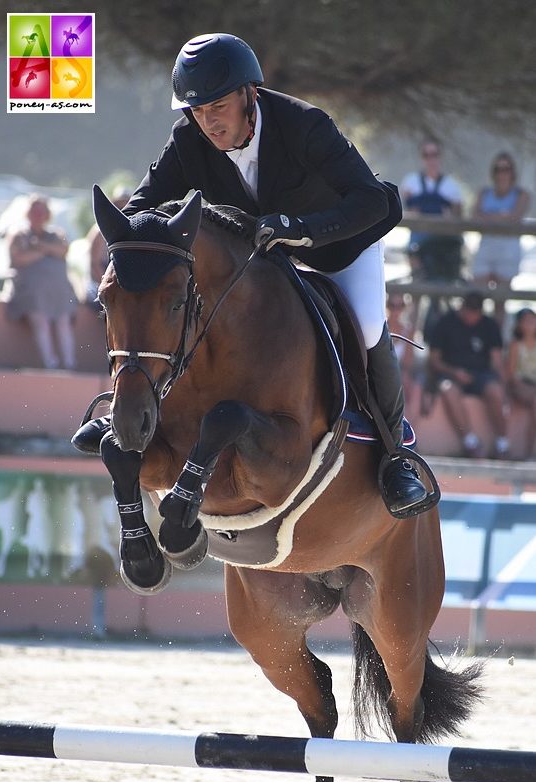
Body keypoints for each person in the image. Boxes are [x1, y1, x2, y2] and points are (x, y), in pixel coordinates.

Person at [78, 32, 431, 515]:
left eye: (219, 105)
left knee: (368, 326)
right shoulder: (188, 139)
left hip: (336, 246)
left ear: (250, 94)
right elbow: (142, 206)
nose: (209, 122)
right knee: (182, 310)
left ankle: (396, 457)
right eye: (198, 111)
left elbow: (371, 199)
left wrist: (302, 230)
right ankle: (128, 412)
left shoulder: (304, 125)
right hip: (261, 261)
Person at [428, 291, 510, 459]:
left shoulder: (489, 325)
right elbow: (434, 361)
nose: (471, 316)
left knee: (495, 391)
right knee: (448, 390)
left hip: (482, 375)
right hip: (450, 374)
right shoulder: (445, 322)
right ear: (462, 307)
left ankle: (502, 444)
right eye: (468, 310)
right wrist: (454, 372)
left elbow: (496, 361)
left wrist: (504, 386)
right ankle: (470, 443)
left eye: (475, 312)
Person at [5, 194, 77, 369]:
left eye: (41, 211)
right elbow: (19, 258)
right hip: (29, 293)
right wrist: (44, 252)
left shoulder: (56, 234)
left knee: (63, 323)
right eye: (34, 211)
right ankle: (50, 364)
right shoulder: (18, 234)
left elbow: (63, 250)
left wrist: (40, 247)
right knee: (41, 323)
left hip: (57, 294)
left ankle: (69, 365)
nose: (38, 215)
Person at [400, 138, 464, 282]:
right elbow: (406, 210)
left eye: (434, 154)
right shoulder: (411, 181)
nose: (431, 159)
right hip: (418, 238)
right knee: (416, 278)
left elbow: (458, 217)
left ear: (440, 156)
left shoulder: (451, 186)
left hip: (442, 241)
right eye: (426, 155)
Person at [472, 152, 530, 290]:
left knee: (501, 298)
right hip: (486, 245)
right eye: (498, 169)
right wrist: (502, 216)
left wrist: (488, 216)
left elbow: (515, 217)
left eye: (506, 169)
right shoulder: (484, 192)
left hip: (509, 248)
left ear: (512, 172)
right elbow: (474, 215)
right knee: (478, 292)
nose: (502, 174)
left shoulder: (522, 194)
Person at [85, 186, 132, 309]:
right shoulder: (100, 230)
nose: (123, 208)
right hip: (100, 281)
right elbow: (94, 263)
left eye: (126, 204)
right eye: (120, 204)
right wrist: (107, 284)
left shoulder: (132, 229)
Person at [506, 307, 536, 460]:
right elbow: (511, 375)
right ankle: (531, 453)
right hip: (520, 386)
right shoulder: (515, 345)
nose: (531, 323)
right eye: (526, 321)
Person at [386, 293, 416, 413]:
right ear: (387, 306)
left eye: (400, 305)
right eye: (392, 305)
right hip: (382, 372)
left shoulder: (409, 331)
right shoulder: (379, 328)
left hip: (400, 374)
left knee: (406, 381)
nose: (396, 309)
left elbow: (408, 362)